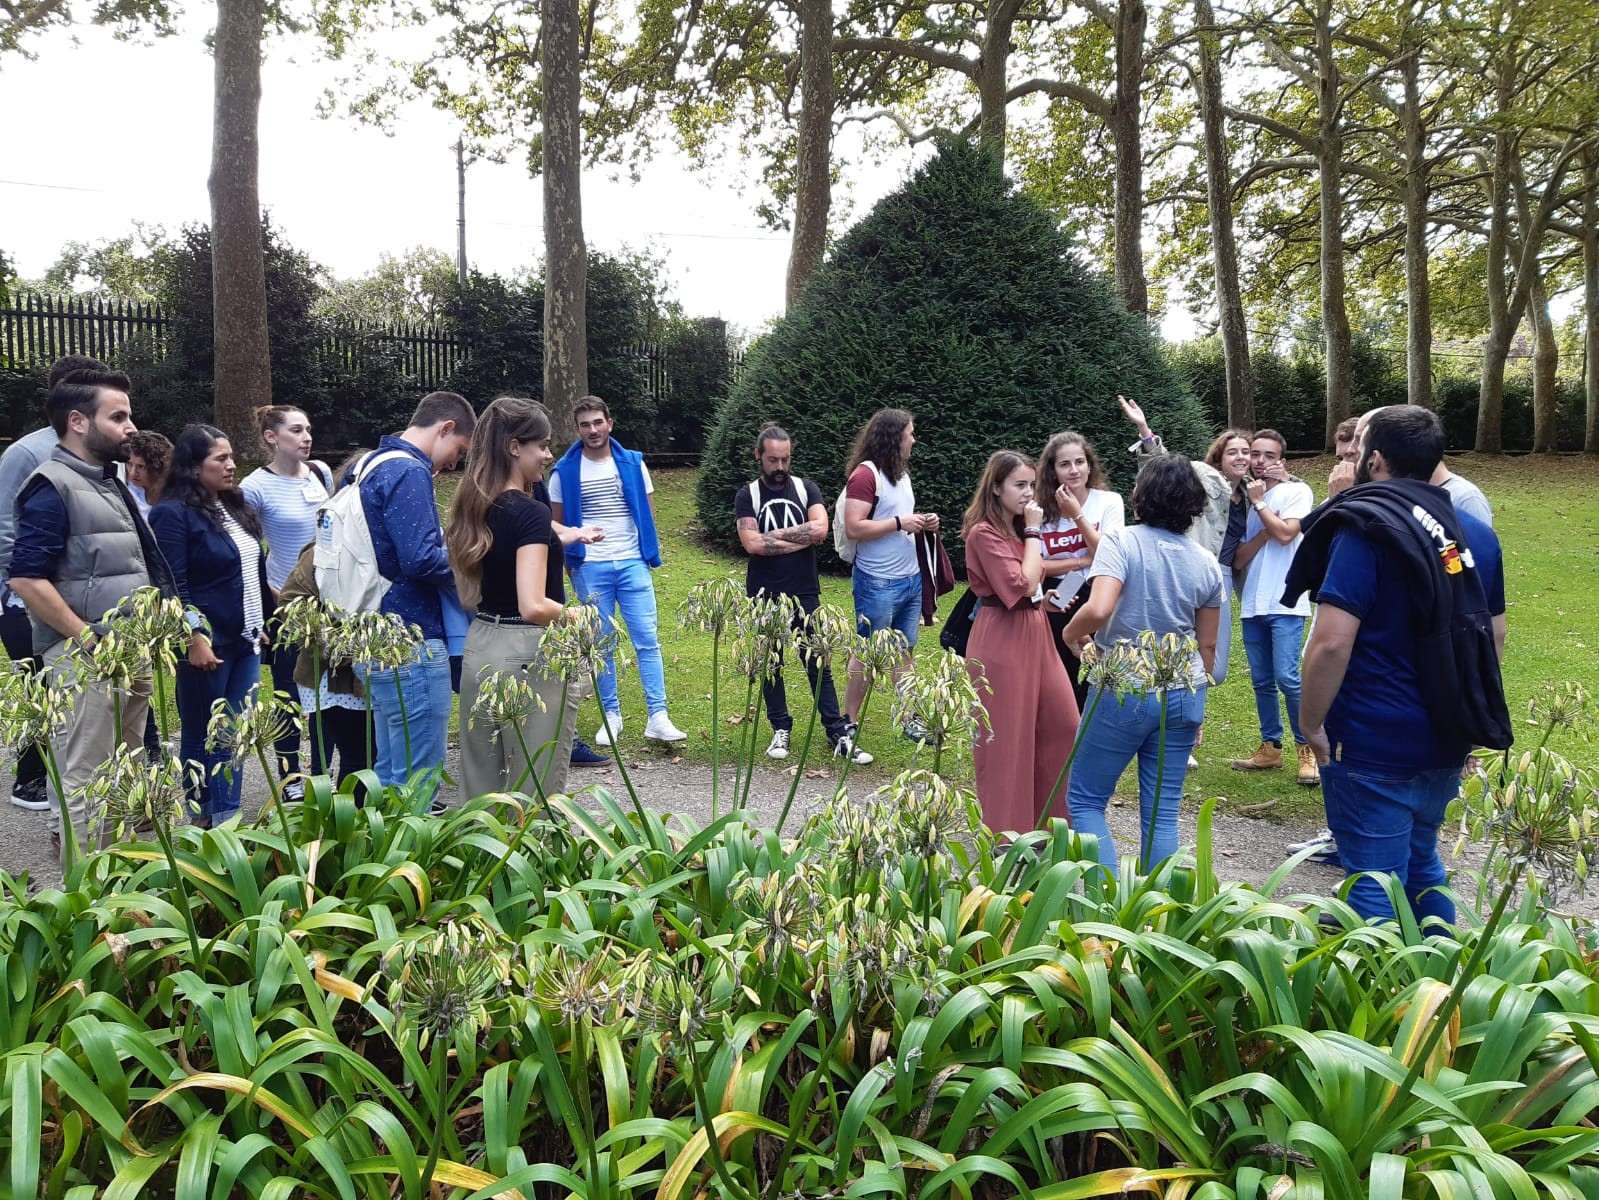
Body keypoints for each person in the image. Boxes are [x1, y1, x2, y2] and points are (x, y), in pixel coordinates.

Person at [1292, 405, 1508, 924]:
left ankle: (1378, 998)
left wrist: (1310, 723)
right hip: (1446, 730)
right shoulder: (1474, 533)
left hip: (1373, 734)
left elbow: (1330, 644)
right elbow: (1494, 635)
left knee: (1372, 876)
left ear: (1376, 460)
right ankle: (1439, 986)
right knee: (1421, 860)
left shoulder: (1366, 529)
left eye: (1360, 441)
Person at [8, 367, 175, 856]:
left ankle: (124, 895)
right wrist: (87, 638)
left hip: (127, 653)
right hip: (87, 659)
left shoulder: (106, 481)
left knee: (124, 774)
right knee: (86, 781)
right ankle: (90, 911)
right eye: (118, 416)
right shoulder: (52, 484)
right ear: (78, 421)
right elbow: (25, 577)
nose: (131, 426)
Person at [1061, 454, 1224, 874]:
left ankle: (1104, 914)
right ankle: (1154, 921)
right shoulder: (1206, 561)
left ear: (1140, 497)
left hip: (1124, 688)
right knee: (1161, 813)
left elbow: (1098, 609)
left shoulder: (1121, 541)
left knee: (1085, 799)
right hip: (1183, 691)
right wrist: (1196, 704)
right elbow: (1207, 648)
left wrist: (1068, 634)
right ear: (1193, 503)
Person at [447, 397, 587, 801]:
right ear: (513, 447)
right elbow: (533, 604)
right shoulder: (529, 514)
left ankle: (478, 858)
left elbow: (469, 591)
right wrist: (581, 617)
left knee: (480, 785)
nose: (547, 455)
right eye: (541, 445)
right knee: (536, 789)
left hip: (480, 644)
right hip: (527, 651)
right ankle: (532, 865)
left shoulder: (473, 502)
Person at [0, 355, 110, 812]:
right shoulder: (26, 452)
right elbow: (7, 526)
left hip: (87, 597)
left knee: (83, 695)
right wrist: (25, 590)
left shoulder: (104, 452)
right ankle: (29, 778)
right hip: (29, 599)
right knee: (40, 685)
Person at [353, 392, 476, 793]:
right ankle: (407, 853)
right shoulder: (408, 471)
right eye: (458, 451)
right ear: (446, 428)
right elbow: (421, 560)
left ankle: (381, 850)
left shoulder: (369, 464)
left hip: (370, 631)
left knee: (390, 768)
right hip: (411, 636)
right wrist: (479, 569)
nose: (453, 463)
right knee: (417, 780)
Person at [149, 426, 271, 826]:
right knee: (204, 733)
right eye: (221, 458)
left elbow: (250, 569)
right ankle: (203, 820)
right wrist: (193, 637)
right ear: (193, 464)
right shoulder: (171, 513)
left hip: (246, 638)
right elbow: (171, 583)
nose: (231, 465)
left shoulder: (231, 506)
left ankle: (228, 818)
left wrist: (259, 620)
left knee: (234, 734)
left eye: (231, 456)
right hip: (207, 645)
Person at [550, 396, 687, 746]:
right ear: (577, 429)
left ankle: (658, 715)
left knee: (647, 640)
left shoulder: (633, 463)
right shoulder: (564, 471)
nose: (593, 430)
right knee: (602, 643)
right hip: (589, 566)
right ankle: (611, 715)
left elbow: (648, 513)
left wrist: (643, 555)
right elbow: (557, 523)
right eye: (585, 424)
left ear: (610, 423)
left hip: (632, 563)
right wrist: (571, 564)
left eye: (598, 422)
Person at [734, 423, 873, 765]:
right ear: (758, 456)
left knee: (817, 661)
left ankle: (836, 732)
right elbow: (751, 544)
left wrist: (772, 540)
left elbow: (820, 529)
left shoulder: (805, 488)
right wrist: (797, 538)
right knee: (771, 661)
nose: (780, 467)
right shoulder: (747, 495)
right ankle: (780, 727)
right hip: (763, 592)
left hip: (805, 590)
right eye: (772, 460)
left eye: (785, 459)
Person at [962, 450, 1078, 834]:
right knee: (1007, 740)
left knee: (1062, 724)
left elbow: (1033, 582)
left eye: (1031, 485)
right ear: (996, 488)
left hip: (1035, 627)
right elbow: (1020, 583)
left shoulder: (1014, 529)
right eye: (1019, 485)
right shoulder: (984, 532)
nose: (1029, 494)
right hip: (1002, 638)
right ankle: (1007, 834)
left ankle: (1053, 824)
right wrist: (1033, 531)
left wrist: (1046, 597)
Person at [240, 406, 332, 798]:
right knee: (288, 693)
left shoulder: (320, 474)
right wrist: (271, 596)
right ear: (271, 437)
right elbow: (244, 548)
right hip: (286, 604)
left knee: (331, 691)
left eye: (308, 428)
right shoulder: (254, 486)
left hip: (329, 602)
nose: (306, 437)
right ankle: (291, 777)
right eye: (296, 430)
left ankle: (326, 770)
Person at [841, 408, 940, 742]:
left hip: (909, 579)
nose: (914, 439)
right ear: (894, 437)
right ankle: (849, 722)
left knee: (905, 651)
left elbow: (899, 516)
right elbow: (854, 527)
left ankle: (909, 719)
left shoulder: (901, 474)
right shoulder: (865, 475)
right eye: (910, 433)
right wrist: (901, 523)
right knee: (868, 652)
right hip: (878, 582)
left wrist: (923, 522)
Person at [1229, 429, 1318, 786]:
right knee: (1262, 680)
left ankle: (1307, 747)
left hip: (1286, 600)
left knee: (1287, 677)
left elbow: (1287, 534)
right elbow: (1239, 558)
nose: (1260, 461)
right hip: (1253, 601)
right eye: (1255, 454)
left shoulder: (1297, 491)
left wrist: (1264, 507)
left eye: (1268, 455)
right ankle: (1270, 746)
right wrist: (1262, 515)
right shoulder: (1249, 498)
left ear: (1282, 461)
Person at [1035, 431, 1123, 709]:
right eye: (1064, 464)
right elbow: (1035, 565)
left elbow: (1110, 555)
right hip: (1057, 595)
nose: (1074, 470)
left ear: (1089, 465)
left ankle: (1091, 727)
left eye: (1080, 462)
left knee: (1098, 666)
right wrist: (1081, 561)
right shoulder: (1039, 510)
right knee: (1060, 669)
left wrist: (1077, 515)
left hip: (1099, 592)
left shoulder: (1109, 501)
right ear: (1052, 470)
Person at [1122, 395, 1233, 557]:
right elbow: (1163, 470)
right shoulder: (1204, 474)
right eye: (1232, 452)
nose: (1240, 457)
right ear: (1219, 455)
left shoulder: (1251, 493)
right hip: (1188, 560)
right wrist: (1144, 429)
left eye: (1246, 452)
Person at [126, 430, 172, 516]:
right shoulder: (125, 491)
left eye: (140, 466)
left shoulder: (174, 495)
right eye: (129, 464)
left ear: (157, 467)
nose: (132, 473)